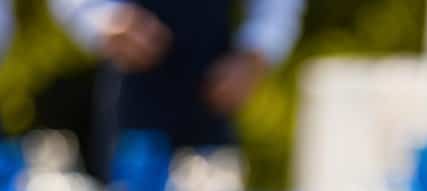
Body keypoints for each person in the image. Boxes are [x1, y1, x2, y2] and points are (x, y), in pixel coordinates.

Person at [49, 0, 304, 160]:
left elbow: (277, 7)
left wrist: (254, 54)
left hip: (213, 90)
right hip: (133, 94)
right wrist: (104, 18)